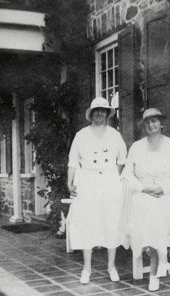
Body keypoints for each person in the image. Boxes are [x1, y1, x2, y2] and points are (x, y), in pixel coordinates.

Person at [122, 108, 170, 291]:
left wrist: (163, 188)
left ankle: (155, 273)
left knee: (156, 213)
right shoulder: (137, 146)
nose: (151, 125)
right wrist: (143, 188)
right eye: (148, 122)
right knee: (143, 206)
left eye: (155, 121)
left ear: (161, 123)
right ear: (144, 126)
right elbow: (127, 174)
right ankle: (159, 261)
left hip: (166, 195)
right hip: (144, 193)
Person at [67, 97, 127, 284]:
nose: (100, 113)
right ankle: (87, 268)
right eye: (97, 110)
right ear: (91, 114)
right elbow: (73, 162)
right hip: (88, 181)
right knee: (88, 222)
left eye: (103, 110)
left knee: (111, 221)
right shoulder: (81, 135)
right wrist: (69, 183)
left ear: (107, 113)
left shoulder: (115, 135)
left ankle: (111, 266)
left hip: (109, 181)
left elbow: (122, 160)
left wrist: (112, 177)